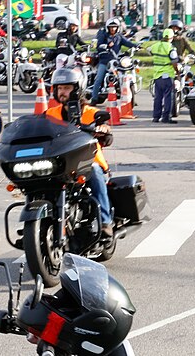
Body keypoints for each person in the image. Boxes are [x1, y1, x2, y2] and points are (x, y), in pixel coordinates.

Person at [45, 67, 114, 237]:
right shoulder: (50, 113)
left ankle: (105, 222)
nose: (62, 92)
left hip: (88, 162)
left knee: (96, 173)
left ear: (78, 89)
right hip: (60, 164)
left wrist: (103, 129)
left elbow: (106, 132)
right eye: (59, 88)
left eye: (67, 88)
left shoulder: (90, 112)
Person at [90, 18, 138, 106]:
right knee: (99, 79)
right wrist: (105, 46)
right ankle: (94, 98)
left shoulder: (119, 37)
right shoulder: (103, 35)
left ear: (117, 27)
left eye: (115, 27)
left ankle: (130, 97)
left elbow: (127, 42)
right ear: (107, 28)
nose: (113, 29)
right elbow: (98, 45)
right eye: (111, 27)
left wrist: (136, 45)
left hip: (116, 61)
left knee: (125, 73)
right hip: (105, 61)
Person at [150, 28, 180, 124]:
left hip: (157, 75)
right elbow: (174, 62)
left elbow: (148, 50)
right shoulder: (171, 48)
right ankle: (166, 117)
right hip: (167, 75)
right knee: (168, 97)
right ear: (171, 37)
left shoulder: (155, 46)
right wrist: (177, 72)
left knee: (158, 97)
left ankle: (156, 117)